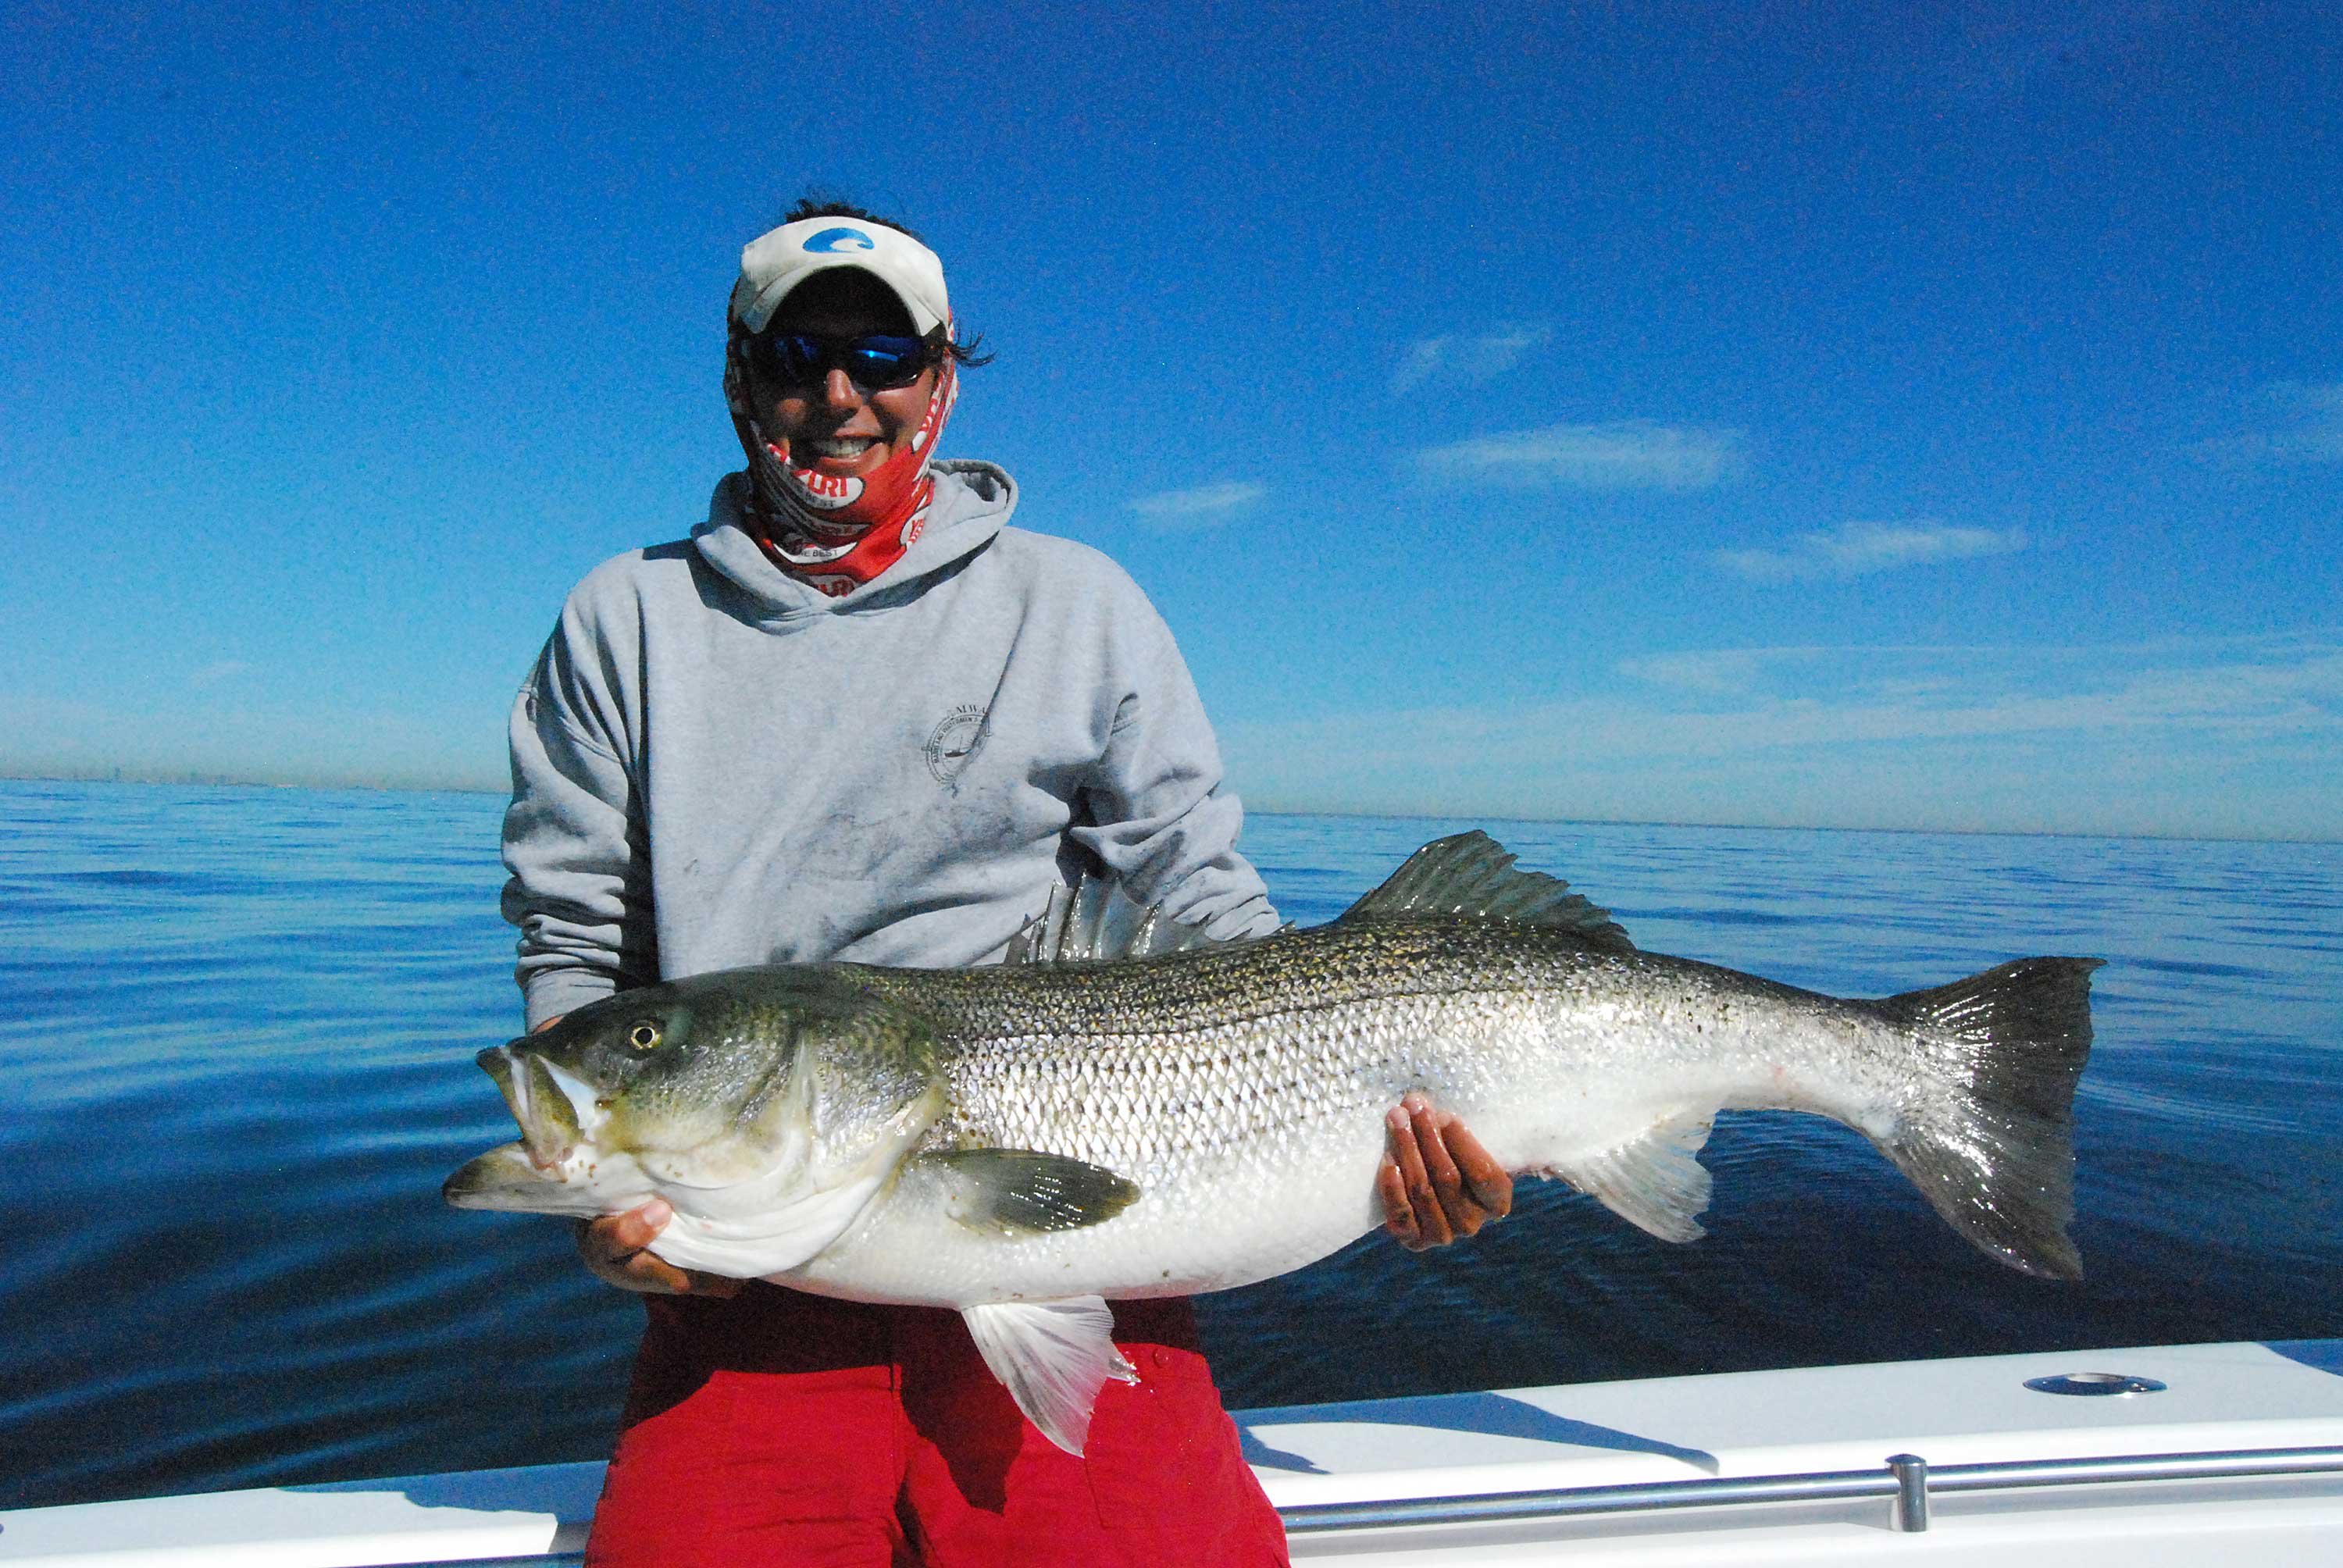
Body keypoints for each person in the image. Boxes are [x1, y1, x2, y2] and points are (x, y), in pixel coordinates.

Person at [501, 199, 1513, 1568]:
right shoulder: (625, 617)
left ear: (943, 379)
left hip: (1079, 1210)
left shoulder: (1078, 604)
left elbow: (1200, 898)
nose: (840, 396)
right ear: (740, 380)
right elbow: (578, 934)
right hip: (750, 1261)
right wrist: (607, 1186)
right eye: (797, 355)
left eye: (884, 356)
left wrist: (1364, 1116)